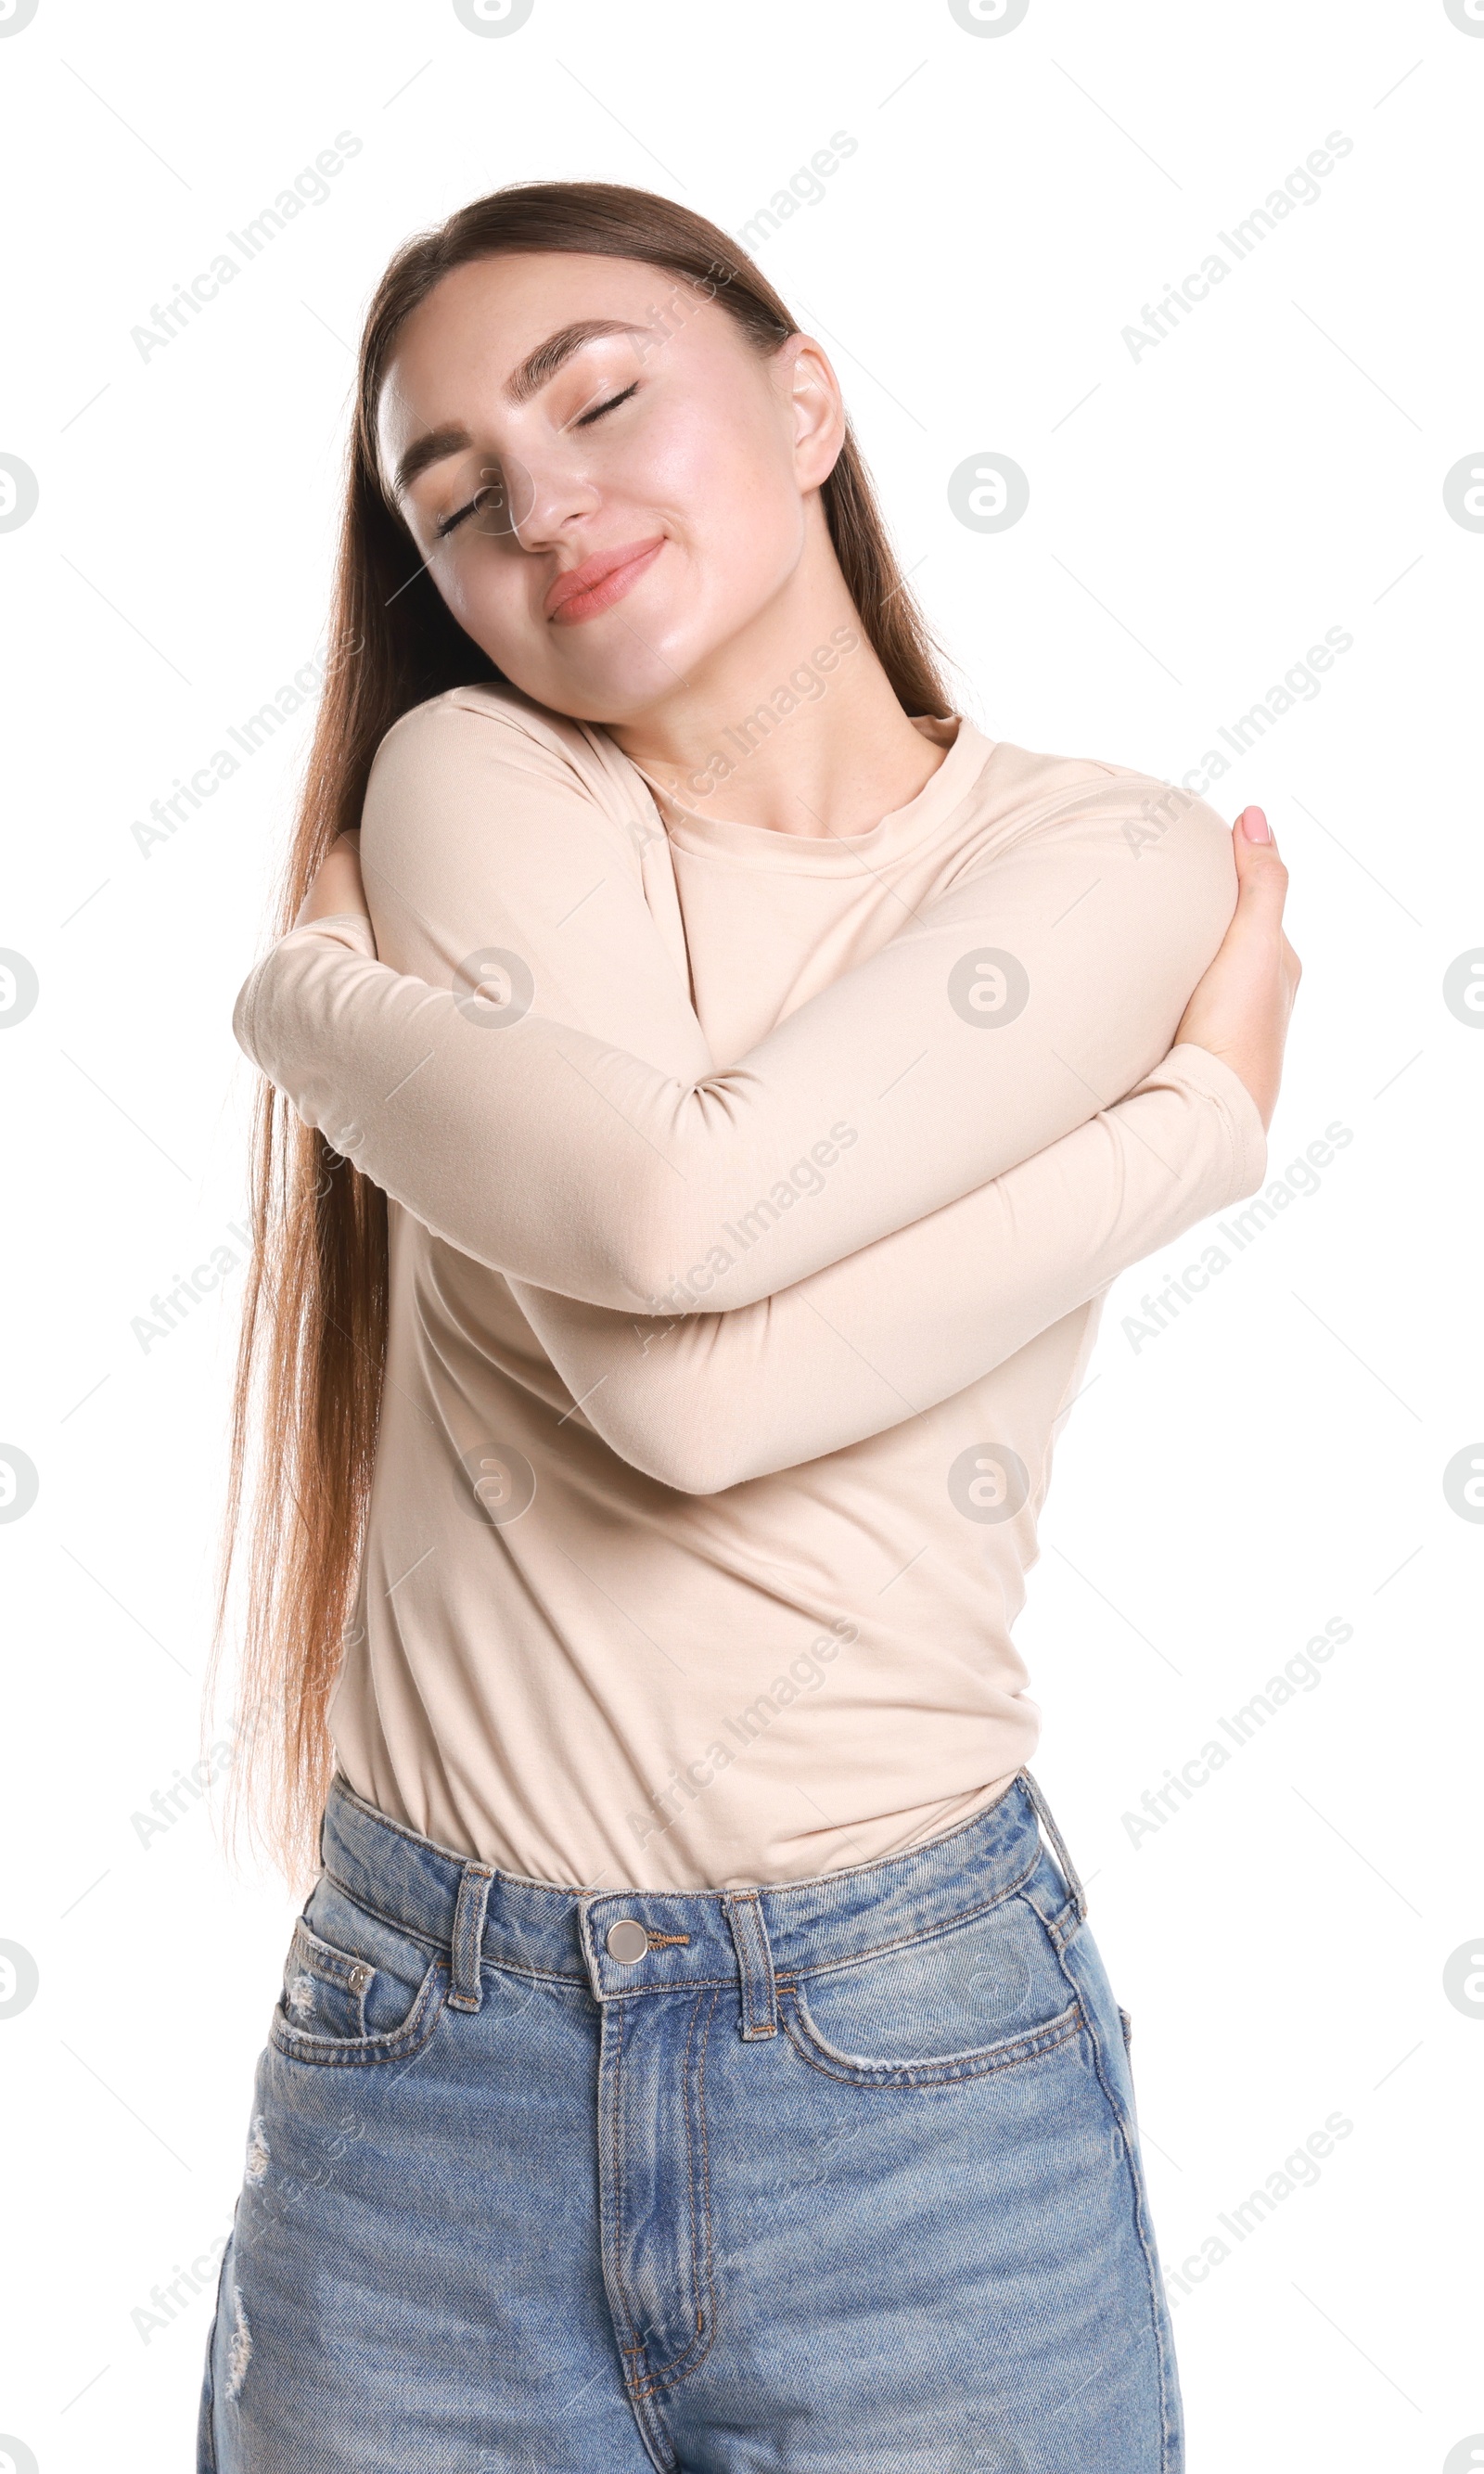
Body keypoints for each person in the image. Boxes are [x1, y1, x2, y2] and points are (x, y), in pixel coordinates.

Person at [198, 181, 1299, 2474]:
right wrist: (1183, 1123)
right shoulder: (471, 776)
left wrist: (312, 1005)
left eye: (601, 394)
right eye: (458, 496)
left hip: (909, 2058)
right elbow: (673, 1268)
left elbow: (673, 1317)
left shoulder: (1100, 859)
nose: (541, 498)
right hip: (429, 2065)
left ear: (805, 404)